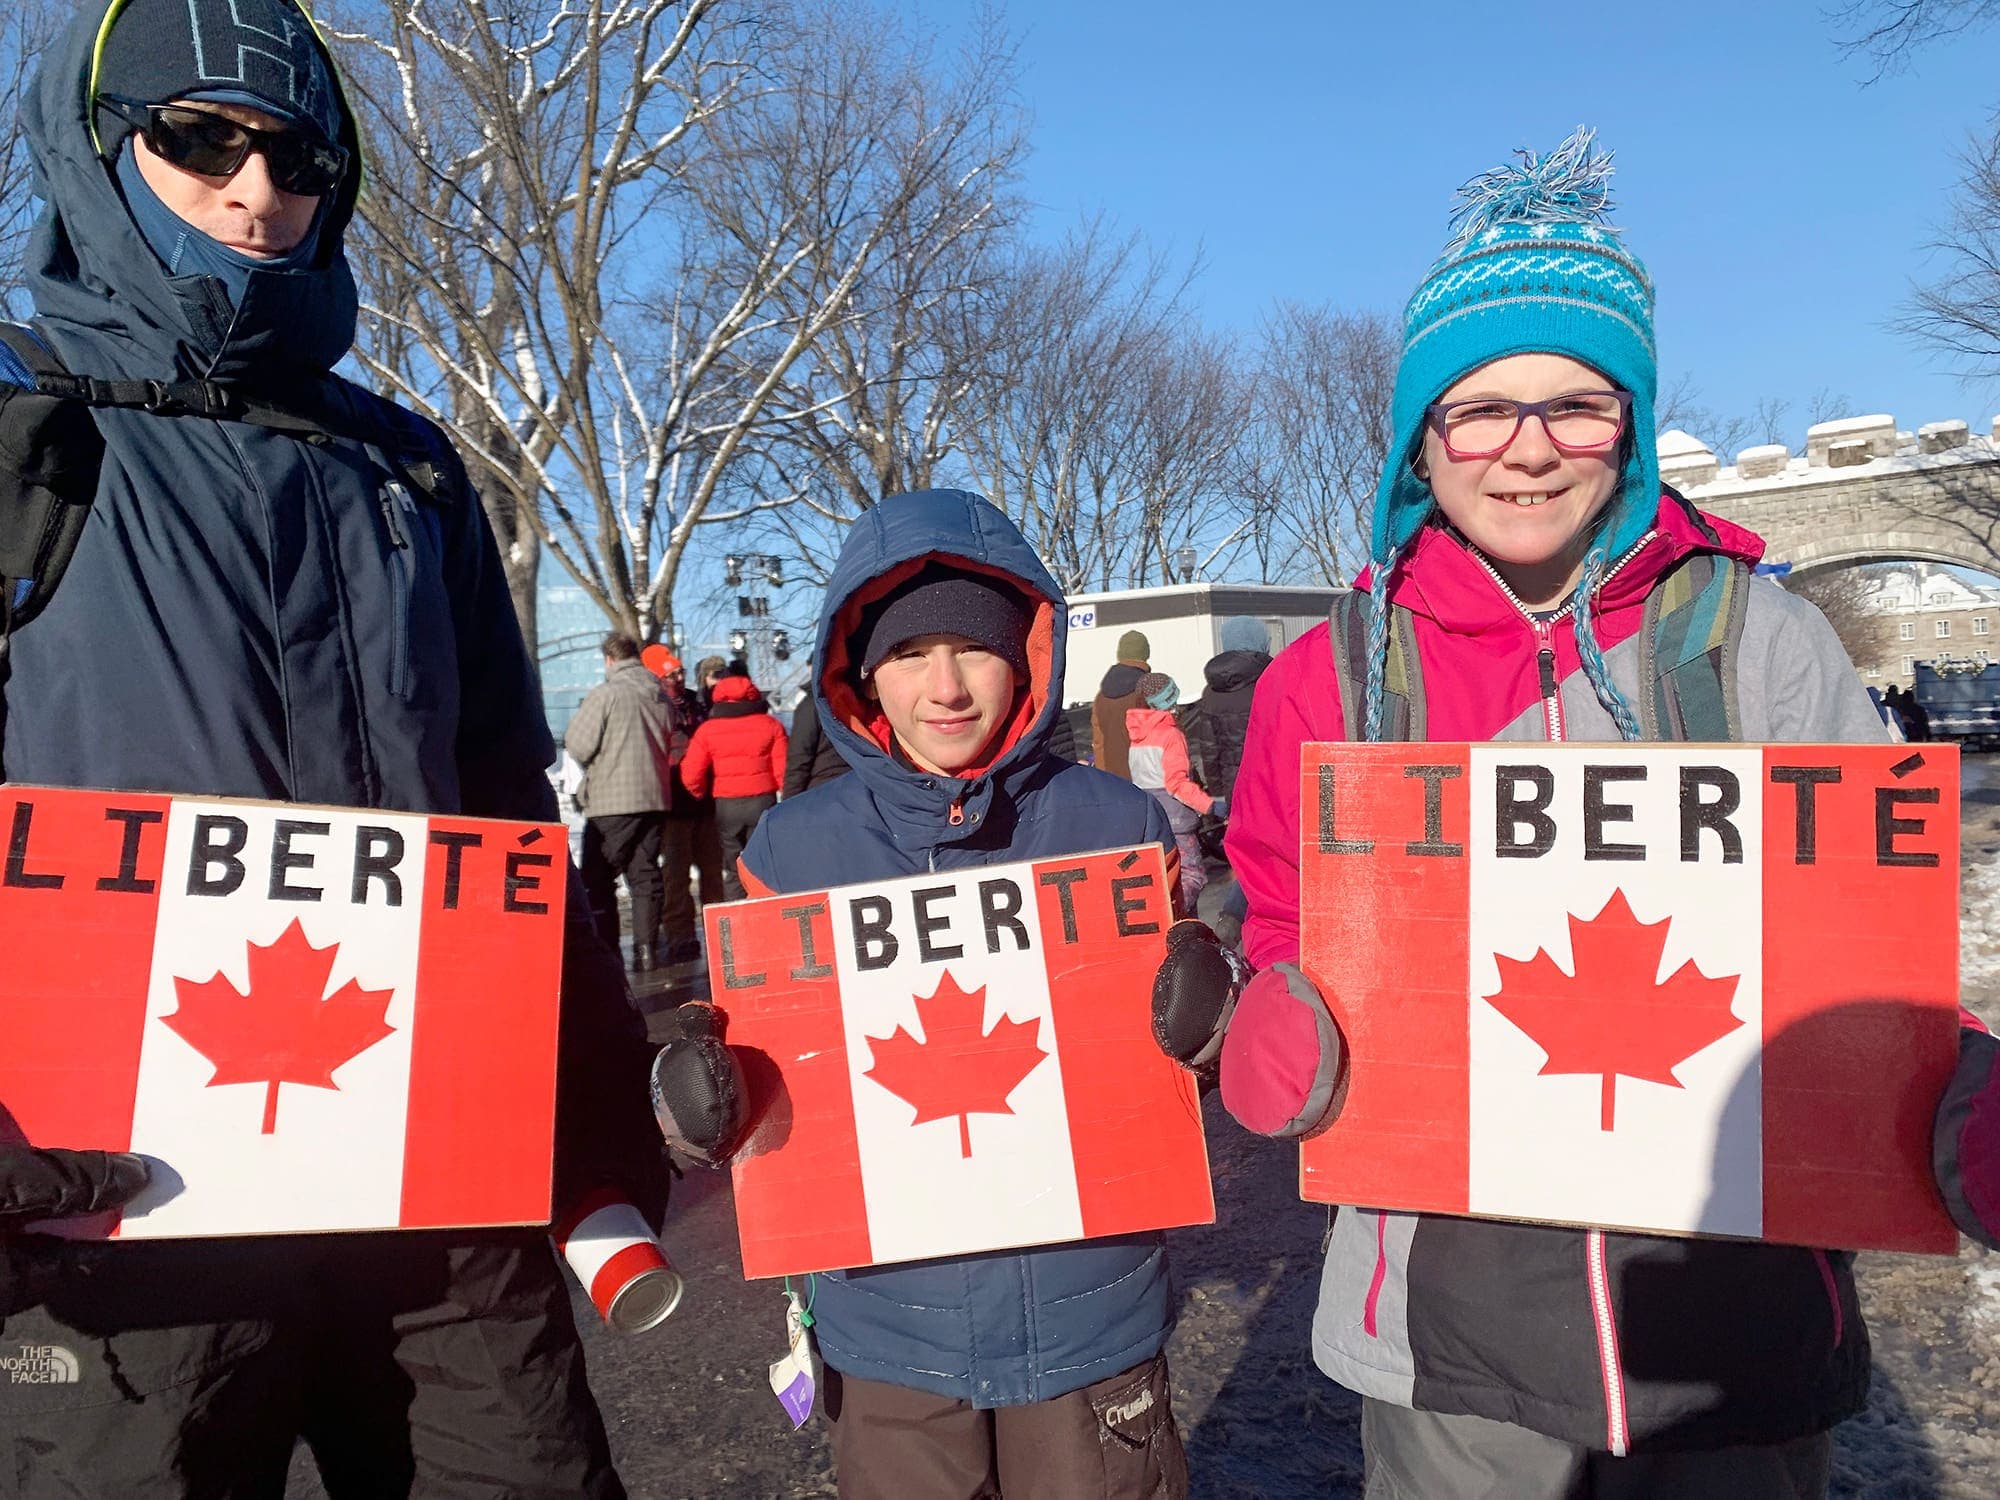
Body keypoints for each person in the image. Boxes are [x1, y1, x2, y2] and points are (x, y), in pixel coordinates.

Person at [0, 2, 734, 1490]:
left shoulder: (404, 467)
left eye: (297, 154)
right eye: (198, 138)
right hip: (119, 1200)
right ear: (99, 146)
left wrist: (591, 1119)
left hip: (432, 1171)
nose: (256, 189)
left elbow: (507, 819)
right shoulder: (23, 429)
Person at [1211, 129, 2000, 1497]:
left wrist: (1953, 1075)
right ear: (1423, 435)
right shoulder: (1330, 679)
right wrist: (1269, 1006)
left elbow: (1872, 939)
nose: (1527, 452)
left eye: (1576, 405)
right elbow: (1277, 914)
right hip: (1450, 1346)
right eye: (1480, 408)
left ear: (1629, 423)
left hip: (1735, 1327)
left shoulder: (1760, 642)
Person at [723, 489, 1189, 1497]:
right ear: (859, 673)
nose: (944, 687)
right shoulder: (789, 851)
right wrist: (706, 1100)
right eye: (906, 655)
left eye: (972, 650)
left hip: (1086, 1313)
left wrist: (1207, 1016)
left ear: (1024, 657)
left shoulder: (1116, 824)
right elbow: (767, 1098)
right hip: (888, 1324)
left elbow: (1184, 1066)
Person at [566, 633, 675, 972]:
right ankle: (647, 951)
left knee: (597, 879)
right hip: (655, 796)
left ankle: (607, 951)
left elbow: (578, 744)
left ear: (609, 659)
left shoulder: (606, 694)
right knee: (644, 876)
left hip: (612, 800)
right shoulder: (659, 694)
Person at [679, 670, 787, 900]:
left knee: (732, 865)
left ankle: (737, 919)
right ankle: (768, 913)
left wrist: (699, 794)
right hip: (762, 802)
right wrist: (787, 796)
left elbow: (690, 773)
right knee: (764, 864)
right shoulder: (771, 725)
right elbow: (784, 769)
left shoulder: (708, 730)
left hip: (727, 805)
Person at [1125, 672, 1220, 913]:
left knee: (1167, 878)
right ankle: (1175, 916)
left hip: (1150, 821)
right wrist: (1210, 805)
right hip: (1177, 820)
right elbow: (1176, 784)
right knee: (1192, 875)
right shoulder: (1171, 735)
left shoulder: (1137, 737)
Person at [643, 645, 707, 964]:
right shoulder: (653, 707)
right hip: (674, 803)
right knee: (676, 875)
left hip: (706, 801)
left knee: (712, 872)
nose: (679, 679)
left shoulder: (698, 703)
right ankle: (681, 936)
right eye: (670, 675)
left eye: (680, 672)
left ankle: (719, 928)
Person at [1181, 617, 1272, 805]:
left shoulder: (1212, 692)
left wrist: (1218, 793)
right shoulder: (1274, 681)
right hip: (1271, 783)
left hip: (1233, 788)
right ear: (1261, 642)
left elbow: (1209, 750)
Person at [1089, 630, 1151, 778]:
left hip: (1115, 780)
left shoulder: (1101, 696)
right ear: (1145, 654)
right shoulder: (1149, 690)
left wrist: (1105, 780)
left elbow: (1099, 744)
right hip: (1147, 778)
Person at [782, 686, 851, 796]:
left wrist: (789, 800)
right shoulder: (857, 700)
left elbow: (799, 758)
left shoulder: (811, 705)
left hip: (822, 790)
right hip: (858, 786)